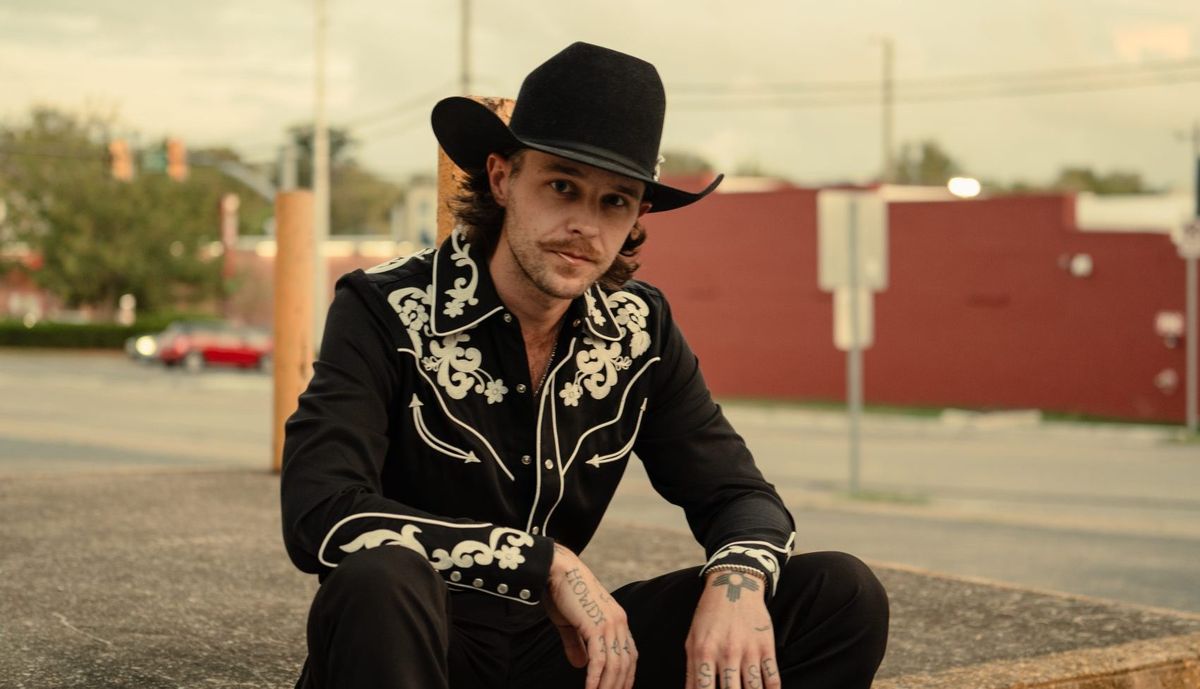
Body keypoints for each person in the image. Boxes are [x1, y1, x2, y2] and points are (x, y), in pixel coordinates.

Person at [280, 41, 888, 689]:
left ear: (637, 216)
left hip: (559, 655)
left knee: (839, 593)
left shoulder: (638, 328)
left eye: (614, 201)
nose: (585, 227)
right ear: (501, 178)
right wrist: (543, 563)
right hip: (415, 643)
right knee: (381, 577)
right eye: (562, 186)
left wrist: (735, 582)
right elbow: (322, 513)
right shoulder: (386, 308)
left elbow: (738, 495)